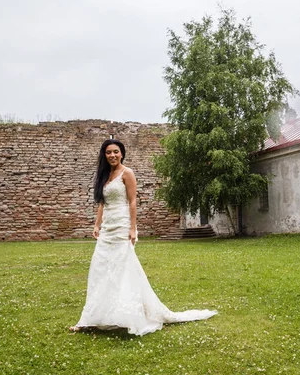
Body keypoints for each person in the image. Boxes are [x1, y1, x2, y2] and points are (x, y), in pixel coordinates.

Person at [70, 139, 217, 336]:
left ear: (121, 153)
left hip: (122, 225)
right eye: (108, 153)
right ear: (104, 155)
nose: (112, 155)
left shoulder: (127, 173)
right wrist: (97, 225)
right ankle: (90, 318)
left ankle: (128, 316)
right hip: (107, 227)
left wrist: (133, 228)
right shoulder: (105, 176)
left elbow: (132, 202)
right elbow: (102, 204)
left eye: (115, 152)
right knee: (100, 269)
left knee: (123, 270)